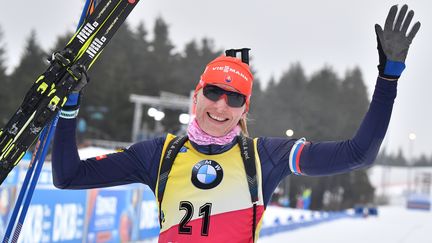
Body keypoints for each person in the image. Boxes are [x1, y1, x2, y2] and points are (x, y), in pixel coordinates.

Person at [52, 4, 420, 243]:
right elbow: (68, 176)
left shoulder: (266, 157)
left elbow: (359, 155)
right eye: (213, 92)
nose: (221, 106)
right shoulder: (159, 154)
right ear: (196, 96)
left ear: (245, 109)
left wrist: (389, 79)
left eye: (235, 99)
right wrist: (68, 105)